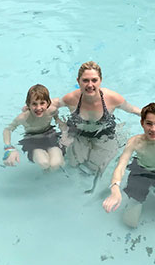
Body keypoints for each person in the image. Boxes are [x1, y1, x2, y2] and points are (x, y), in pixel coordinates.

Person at [55, 61, 140, 191]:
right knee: (73, 164)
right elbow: (53, 105)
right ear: (78, 81)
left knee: (94, 168)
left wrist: (152, 115)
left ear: (100, 80)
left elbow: (132, 109)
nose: (90, 85)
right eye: (85, 80)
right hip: (79, 134)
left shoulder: (112, 98)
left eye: (94, 80)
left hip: (104, 135)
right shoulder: (71, 98)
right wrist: (33, 106)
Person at [3, 84, 64, 171]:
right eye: (34, 104)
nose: (38, 108)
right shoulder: (23, 117)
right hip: (32, 140)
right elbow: (7, 129)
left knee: (55, 164)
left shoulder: (52, 111)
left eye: (42, 103)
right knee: (44, 162)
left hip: (50, 136)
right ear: (28, 105)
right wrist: (8, 148)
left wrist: (64, 129)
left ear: (48, 103)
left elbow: (58, 119)